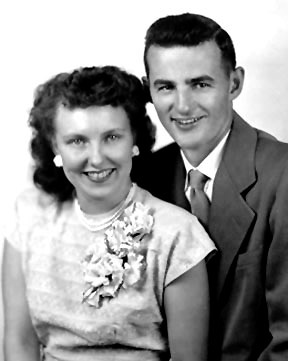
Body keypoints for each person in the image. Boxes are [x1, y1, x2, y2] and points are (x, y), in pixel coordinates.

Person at [2, 65, 215, 361]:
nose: (97, 158)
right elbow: (19, 344)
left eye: (112, 137)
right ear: (55, 148)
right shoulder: (29, 218)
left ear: (134, 141)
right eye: (77, 141)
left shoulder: (178, 234)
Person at [133, 12, 288, 361]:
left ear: (234, 83)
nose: (183, 106)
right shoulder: (144, 179)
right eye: (166, 87)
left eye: (200, 84)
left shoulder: (283, 178)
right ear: (149, 89)